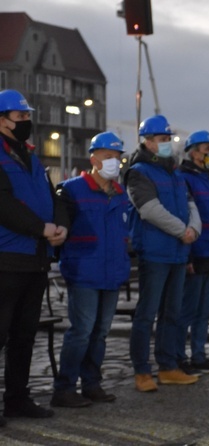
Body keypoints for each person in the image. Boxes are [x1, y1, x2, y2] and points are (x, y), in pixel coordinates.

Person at [0, 89, 69, 425]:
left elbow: (52, 193)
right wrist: (41, 228)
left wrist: (59, 225)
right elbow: (4, 205)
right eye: (20, 116)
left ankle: (17, 399)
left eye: (28, 115)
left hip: (35, 257)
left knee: (25, 334)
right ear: (2, 120)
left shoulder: (31, 156)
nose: (27, 121)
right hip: (6, 256)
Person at [51, 132, 129, 408]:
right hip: (84, 271)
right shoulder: (72, 190)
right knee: (82, 330)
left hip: (112, 271)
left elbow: (124, 230)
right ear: (93, 159)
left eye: (117, 158)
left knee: (101, 332)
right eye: (108, 157)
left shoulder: (120, 193)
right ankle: (65, 387)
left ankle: (91, 383)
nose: (114, 162)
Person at [124, 115, 201, 391]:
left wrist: (193, 228)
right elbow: (149, 209)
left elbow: (190, 204)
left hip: (178, 252)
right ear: (148, 141)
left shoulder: (175, 172)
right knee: (147, 313)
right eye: (162, 139)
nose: (167, 143)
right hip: (155, 252)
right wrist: (183, 231)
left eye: (169, 139)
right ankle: (142, 371)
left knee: (172, 312)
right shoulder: (139, 172)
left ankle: (168, 366)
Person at [176, 130, 209, 375]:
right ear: (193, 152)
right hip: (197, 252)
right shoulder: (184, 178)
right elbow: (186, 217)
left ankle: (199, 355)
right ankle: (179, 357)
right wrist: (188, 255)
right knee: (189, 309)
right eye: (206, 149)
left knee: (205, 310)